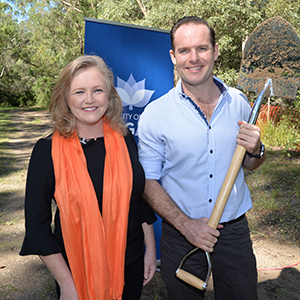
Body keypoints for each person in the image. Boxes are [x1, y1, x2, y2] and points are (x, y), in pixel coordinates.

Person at [137, 16, 266, 300]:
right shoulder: (156, 114)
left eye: (202, 48)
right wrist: (186, 225)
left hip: (233, 234)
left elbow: (249, 164)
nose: (193, 58)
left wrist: (257, 150)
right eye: (184, 50)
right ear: (173, 56)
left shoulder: (239, 103)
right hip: (181, 235)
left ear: (216, 51)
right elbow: (147, 180)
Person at [20, 55, 157, 300]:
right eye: (79, 92)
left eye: (97, 90)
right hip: (76, 271)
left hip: (131, 263)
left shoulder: (124, 139)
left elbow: (136, 198)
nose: (90, 100)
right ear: (65, 98)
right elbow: (37, 229)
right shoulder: (47, 151)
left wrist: (150, 249)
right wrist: (68, 286)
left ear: (109, 95)